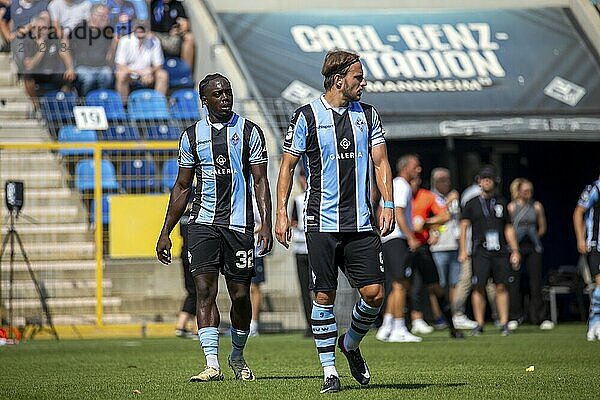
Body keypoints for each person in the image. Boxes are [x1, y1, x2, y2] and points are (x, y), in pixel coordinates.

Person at [275, 50, 395, 394]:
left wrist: (388, 204)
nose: (364, 83)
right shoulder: (306, 116)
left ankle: (351, 343)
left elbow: (382, 162)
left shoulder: (368, 115)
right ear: (339, 80)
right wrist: (282, 212)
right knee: (324, 296)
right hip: (321, 222)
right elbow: (288, 166)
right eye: (359, 78)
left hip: (360, 223)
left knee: (374, 294)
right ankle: (329, 371)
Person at [156, 73, 273, 381]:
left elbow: (260, 181)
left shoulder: (250, 132)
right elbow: (182, 187)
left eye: (228, 92)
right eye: (218, 94)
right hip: (202, 224)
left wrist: (267, 223)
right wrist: (165, 231)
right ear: (204, 100)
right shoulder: (191, 136)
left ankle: (237, 354)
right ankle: (212, 364)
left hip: (239, 225)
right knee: (204, 291)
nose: (225, 97)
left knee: (240, 295)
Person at [459, 165, 520, 336]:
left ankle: (504, 322)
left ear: (495, 181)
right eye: (483, 178)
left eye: (489, 178)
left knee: (501, 286)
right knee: (478, 286)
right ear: (479, 181)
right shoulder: (472, 203)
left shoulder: (501, 202)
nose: (486, 181)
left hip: (500, 250)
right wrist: (463, 250)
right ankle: (479, 323)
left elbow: (508, 228)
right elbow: (463, 227)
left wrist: (515, 250)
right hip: (480, 250)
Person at [376, 155, 423, 343]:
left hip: (388, 239)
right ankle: (399, 327)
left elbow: (381, 211)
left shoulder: (391, 183)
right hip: (397, 239)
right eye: (415, 166)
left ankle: (387, 326)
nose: (419, 170)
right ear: (405, 168)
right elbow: (399, 212)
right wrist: (410, 236)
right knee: (401, 284)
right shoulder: (402, 185)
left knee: (396, 283)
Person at [430, 168, 478, 330]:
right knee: (438, 285)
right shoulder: (431, 197)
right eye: (441, 180)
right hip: (438, 247)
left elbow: (459, 220)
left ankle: (455, 315)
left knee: (454, 284)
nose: (445, 183)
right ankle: (439, 317)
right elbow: (432, 219)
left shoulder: (455, 198)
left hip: (454, 245)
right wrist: (448, 204)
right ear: (434, 182)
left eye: (447, 179)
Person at [507, 178, 554, 330]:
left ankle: (539, 317)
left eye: (530, 191)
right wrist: (514, 248)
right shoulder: (512, 207)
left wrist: (535, 236)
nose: (528, 194)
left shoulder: (537, 206)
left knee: (536, 282)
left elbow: (542, 226)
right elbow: (508, 228)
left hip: (533, 247)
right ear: (518, 191)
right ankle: (514, 316)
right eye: (525, 191)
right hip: (517, 247)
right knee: (514, 282)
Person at [21, 12, 76, 109]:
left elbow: (64, 53)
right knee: (27, 75)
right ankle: (36, 104)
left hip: (53, 71)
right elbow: (29, 65)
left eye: (45, 28)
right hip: (38, 73)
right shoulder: (28, 42)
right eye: (39, 28)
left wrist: (70, 68)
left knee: (69, 77)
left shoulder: (53, 39)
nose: (42, 31)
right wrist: (41, 50)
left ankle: (61, 103)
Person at [573, 173, 600, 341]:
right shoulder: (595, 188)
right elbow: (578, 212)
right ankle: (595, 323)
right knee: (599, 285)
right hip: (597, 245)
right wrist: (580, 239)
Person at [114, 19, 167, 103]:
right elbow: (120, 65)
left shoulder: (154, 41)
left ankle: (158, 105)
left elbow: (158, 65)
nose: (140, 30)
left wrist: (150, 71)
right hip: (130, 75)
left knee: (163, 75)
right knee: (121, 74)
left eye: (143, 28)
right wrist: (139, 73)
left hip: (148, 75)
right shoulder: (124, 41)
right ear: (133, 29)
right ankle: (124, 107)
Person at [69, 4, 114, 95]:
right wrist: (70, 67)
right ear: (93, 15)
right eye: (102, 16)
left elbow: (109, 58)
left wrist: (114, 42)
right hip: (83, 66)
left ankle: (101, 101)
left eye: (106, 15)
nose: (105, 19)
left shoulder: (108, 31)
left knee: (107, 76)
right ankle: (86, 103)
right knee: (89, 79)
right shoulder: (80, 29)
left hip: (102, 66)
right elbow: (68, 48)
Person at [290, 168, 312, 337]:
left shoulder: (318, 197)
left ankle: (322, 322)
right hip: (300, 248)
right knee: (304, 289)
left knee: (320, 288)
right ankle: (309, 324)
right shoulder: (297, 200)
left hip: (314, 248)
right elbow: (293, 221)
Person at [175, 200, 197, 339]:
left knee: (192, 291)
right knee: (202, 290)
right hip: (195, 252)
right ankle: (198, 327)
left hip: (184, 253)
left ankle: (181, 325)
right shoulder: (198, 215)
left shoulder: (182, 215)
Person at [150, 0, 194, 69]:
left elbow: (185, 24)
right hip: (156, 37)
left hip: (173, 38)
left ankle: (186, 73)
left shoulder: (177, 5)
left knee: (189, 38)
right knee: (148, 36)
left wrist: (178, 30)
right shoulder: (154, 4)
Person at [249, 193, 266, 338]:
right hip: (240, 247)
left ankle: (254, 324)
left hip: (255, 249)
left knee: (255, 286)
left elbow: (263, 224)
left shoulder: (256, 201)